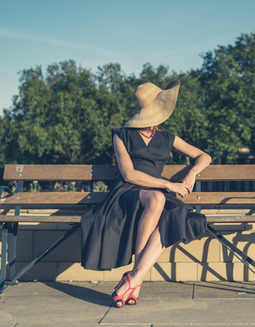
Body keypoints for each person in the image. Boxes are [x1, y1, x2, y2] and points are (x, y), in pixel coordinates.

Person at [80, 80, 211, 308]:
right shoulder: (121, 135)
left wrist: (191, 175)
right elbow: (129, 174)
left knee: (175, 216)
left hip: (157, 192)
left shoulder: (168, 137)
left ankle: (134, 279)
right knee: (158, 198)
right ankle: (135, 280)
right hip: (129, 192)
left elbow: (204, 156)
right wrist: (169, 185)